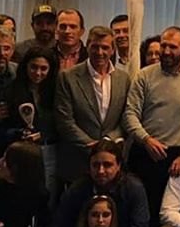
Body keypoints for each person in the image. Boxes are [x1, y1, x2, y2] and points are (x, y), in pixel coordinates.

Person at [124, 27, 180, 227]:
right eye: (164, 45)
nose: (166, 51)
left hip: (177, 160)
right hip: (144, 153)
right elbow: (130, 114)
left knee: (167, 219)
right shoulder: (143, 76)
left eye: (173, 47)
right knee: (136, 215)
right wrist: (146, 139)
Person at [55, 26, 130, 185]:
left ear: (113, 50)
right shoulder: (67, 77)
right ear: (87, 46)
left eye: (105, 47)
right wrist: (93, 146)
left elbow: (126, 117)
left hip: (111, 165)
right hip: (77, 161)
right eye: (95, 46)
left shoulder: (124, 79)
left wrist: (108, 142)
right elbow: (64, 120)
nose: (100, 52)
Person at [0, 47, 60, 191]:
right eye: (33, 67)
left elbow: (62, 123)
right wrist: (19, 133)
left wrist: (43, 134)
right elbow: (3, 128)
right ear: (25, 66)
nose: (38, 73)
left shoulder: (57, 91)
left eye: (43, 68)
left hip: (49, 152)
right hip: (20, 154)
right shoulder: (11, 90)